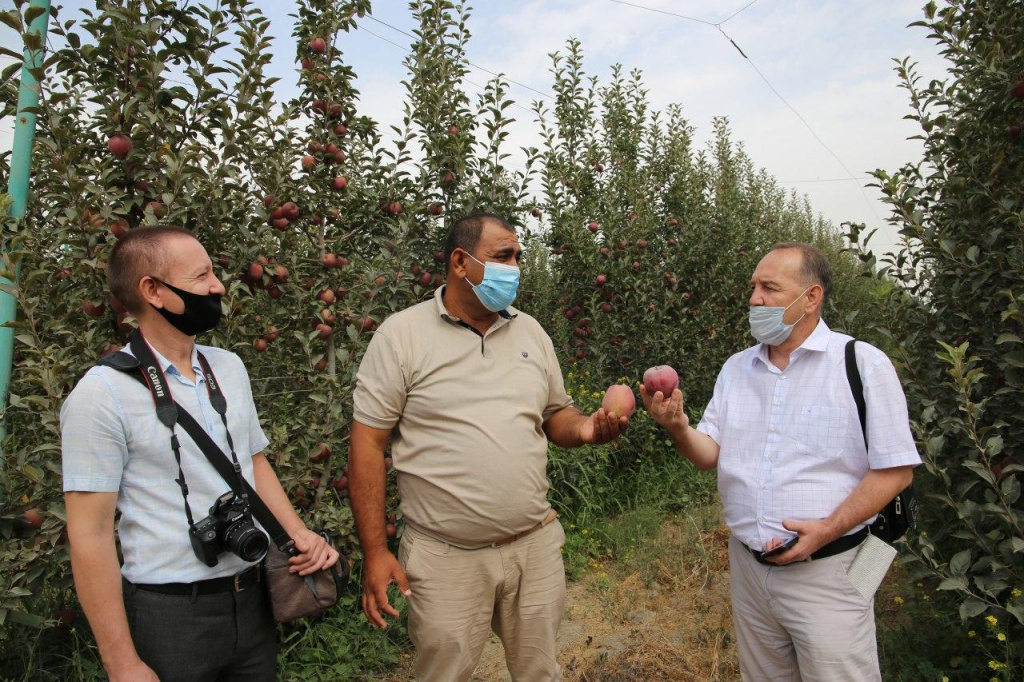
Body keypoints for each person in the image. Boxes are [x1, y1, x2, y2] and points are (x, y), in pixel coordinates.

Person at [349, 212, 628, 681]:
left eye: (519, 256)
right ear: (461, 262)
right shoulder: (402, 336)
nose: (515, 266)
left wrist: (585, 430)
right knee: (445, 673)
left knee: (540, 670)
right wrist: (375, 552)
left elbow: (555, 413)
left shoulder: (530, 332)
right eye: (504, 256)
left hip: (533, 546)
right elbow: (368, 443)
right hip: (445, 557)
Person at [61, 226, 338, 682]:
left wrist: (297, 533)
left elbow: (253, 463)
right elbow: (88, 536)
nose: (217, 286)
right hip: (171, 614)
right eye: (202, 276)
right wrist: (122, 663)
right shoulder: (101, 395)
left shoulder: (226, 367)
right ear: (153, 290)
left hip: (251, 600)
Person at [642, 242, 920, 681]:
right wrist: (677, 426)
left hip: (829, 572)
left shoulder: (861, 364)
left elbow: (896, 471)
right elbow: (709, 454)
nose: (754, 298)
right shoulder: (737, 368)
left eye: (769, 288)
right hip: (749, 571)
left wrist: (827, 529)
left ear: (811, 297)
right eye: (753, 287)